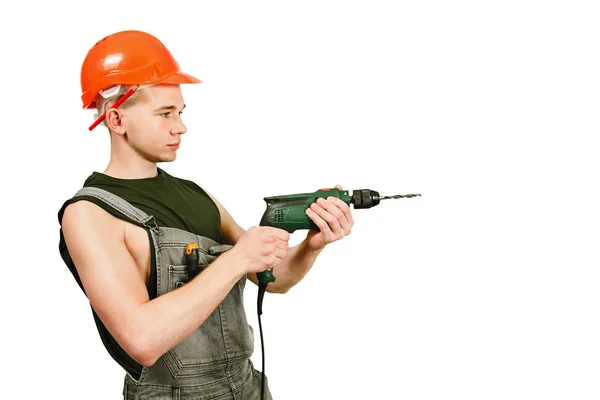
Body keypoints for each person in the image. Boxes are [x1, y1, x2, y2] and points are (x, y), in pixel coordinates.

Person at [57, 30, 355, 399]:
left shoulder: (197, 195)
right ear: (117, 120)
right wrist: (236, 260)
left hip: (247, 386)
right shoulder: (89, 214)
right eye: (165, 113)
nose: (180, 126)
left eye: (180, 112)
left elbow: (272, 279)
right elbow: (142, 339)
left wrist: (313, 245)